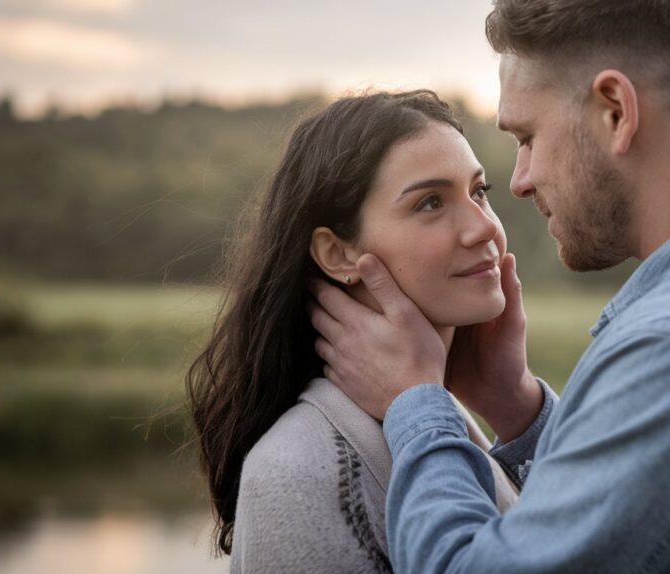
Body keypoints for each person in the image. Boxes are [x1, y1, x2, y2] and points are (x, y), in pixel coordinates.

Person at [311, 1, 670, 572]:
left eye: (528, 136)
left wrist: (415, 402)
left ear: (614, 110)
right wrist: (519, 409)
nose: (519, 181)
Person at [186, 90, 519, 573]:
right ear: (338, 254)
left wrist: (517, 408)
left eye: (479, 192)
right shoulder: (299, 470)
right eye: (430, 202)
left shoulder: (454, 418)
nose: (483, 227)